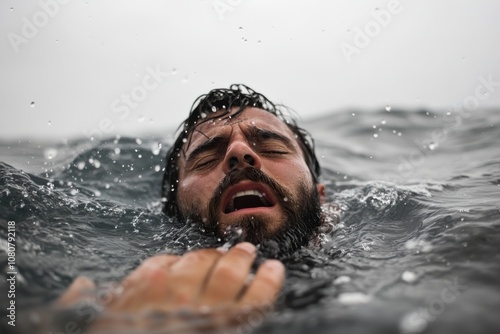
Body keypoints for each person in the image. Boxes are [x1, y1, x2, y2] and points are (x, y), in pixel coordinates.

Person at [51, 84, 327, 333]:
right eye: (206, 158)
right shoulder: (120, 297)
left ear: (321, 196)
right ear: (175, 210)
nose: (240, 151)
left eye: (273, 147)